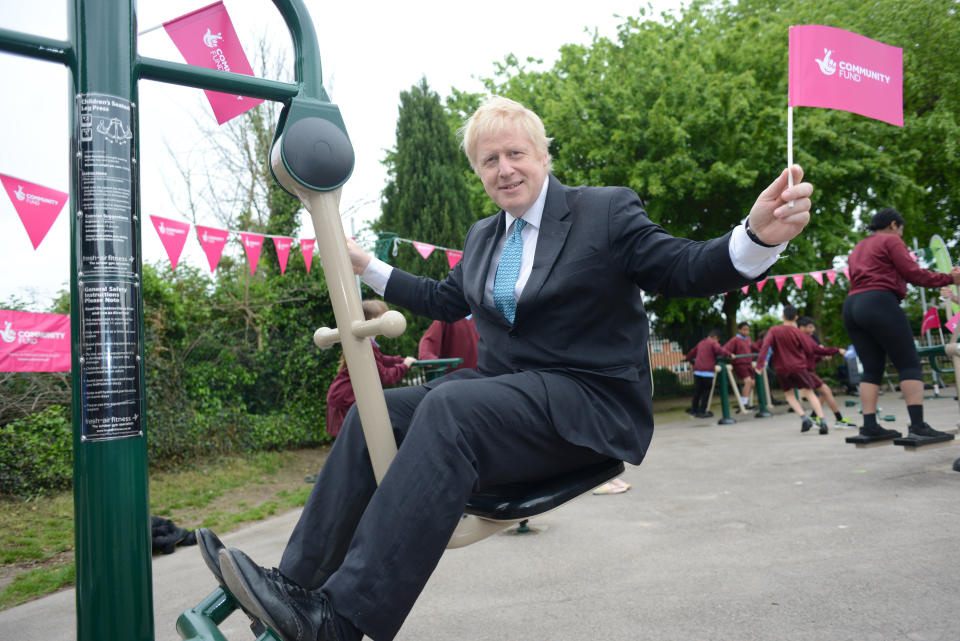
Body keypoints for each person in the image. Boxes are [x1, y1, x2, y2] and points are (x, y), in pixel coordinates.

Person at [198, 96, 814, 641]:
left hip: (585, 402)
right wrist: (364, 265)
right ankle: (294, 591)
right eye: (489, 161)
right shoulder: (487, 237)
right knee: (373, 410)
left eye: (515, 153)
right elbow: (446, 300)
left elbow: (683, 267)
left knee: (450, 407)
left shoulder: (604, 213)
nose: (504, 169)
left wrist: (755, 238)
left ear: (542, 154)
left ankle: (341, 621)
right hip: (509, 398)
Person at [842, 207, 960, 442]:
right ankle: (917, 426)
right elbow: (913, 274)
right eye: (901, 231)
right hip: (879, 301)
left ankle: (869, 426)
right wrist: (950, 278)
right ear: (894, 225)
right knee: (909, 362)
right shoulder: (891, 240)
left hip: (852, 305)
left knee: (872, 367)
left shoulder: (859, 247)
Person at [324, 300, 417, 439]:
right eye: (383, 318)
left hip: (345, 395)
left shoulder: (366, 341)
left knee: (356, 439)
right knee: (354, 440)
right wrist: (404, 366)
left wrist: (400, 360)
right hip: (346, 398)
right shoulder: (366, 343)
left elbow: (381, 359)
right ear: (373, 321)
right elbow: (384, 376)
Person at [755, 305, 833, 434]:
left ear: (782, 316)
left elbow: (765, 347)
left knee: (789, 395)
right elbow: (809, 349)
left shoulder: (774, 330)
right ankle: (822, 421)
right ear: (796, 317)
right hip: (799, 367)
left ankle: (804, 418)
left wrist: (759, 365)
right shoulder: (798, 332)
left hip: (782, 369)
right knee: (810, 393)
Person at [797, 316, 857, 429]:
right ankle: (838, 420)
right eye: (810, 326)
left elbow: (812, 356)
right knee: (825, 391)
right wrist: (837, 350)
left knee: (824, 392)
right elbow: (818, 350)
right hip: (805, 371)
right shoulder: (804, 338)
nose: (813, 329)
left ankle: (815, 417)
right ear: (801, 327)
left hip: (806, 370)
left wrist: (821, 357)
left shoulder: (806, 338)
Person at [685, 329, 732, 418]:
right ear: (716, 337)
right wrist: (729, 354)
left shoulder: (701, 343)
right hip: (707, 371)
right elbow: (720, 351)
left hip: (698, 370)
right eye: (718, 340)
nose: (718, 342)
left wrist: (687, 358)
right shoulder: (713, 343)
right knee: (706, 392)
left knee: (697, 391)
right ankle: (703, 411)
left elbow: (692, 352)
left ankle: (694, 409)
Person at [723, 322, 758, 410]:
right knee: (748, 381)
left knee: (753, 383)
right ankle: (744, 403)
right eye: (744, 329)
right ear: (739, 330)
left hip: (748, 363)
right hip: (740, 364)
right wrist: (730, 355)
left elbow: (753, 348)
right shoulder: (735, 340)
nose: (746, 332)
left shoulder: (748, 339)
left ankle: (745, 401)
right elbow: (725, 349)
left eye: (748, 330)